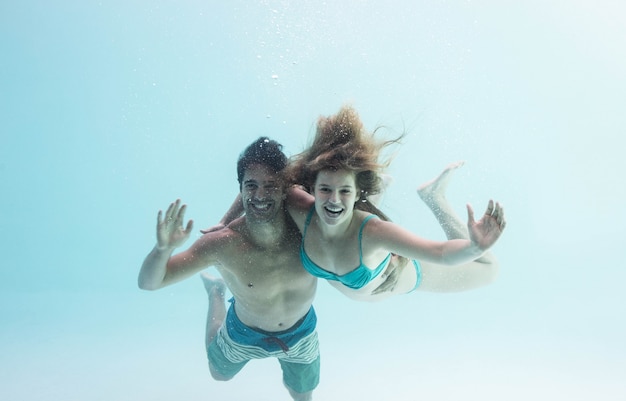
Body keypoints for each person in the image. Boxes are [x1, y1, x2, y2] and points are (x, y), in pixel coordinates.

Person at [138, 137, 320, 401]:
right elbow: (149, 282)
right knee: (218, 374)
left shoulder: (306, 228)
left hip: (301, 332)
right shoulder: (222, 245)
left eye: (270, 185)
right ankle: (216, 293)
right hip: (243, 332)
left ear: (285, 189)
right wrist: (163, 249)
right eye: (251, 185)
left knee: (302, 395)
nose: (259, 195)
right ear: (241, 188)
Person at [282, 105, 506, 302]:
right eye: (325, 189)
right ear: (311, 188)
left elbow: (441, 252)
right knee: (343, 211)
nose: (333, 199)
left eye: (345, 191)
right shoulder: (301, 209)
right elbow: (268, 186)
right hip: (361, 241)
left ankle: (434, 198)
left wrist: (476, 247)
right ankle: (379, 189)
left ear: (357, 191)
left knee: (490, 270)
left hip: (411, 275)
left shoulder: (374, 233)